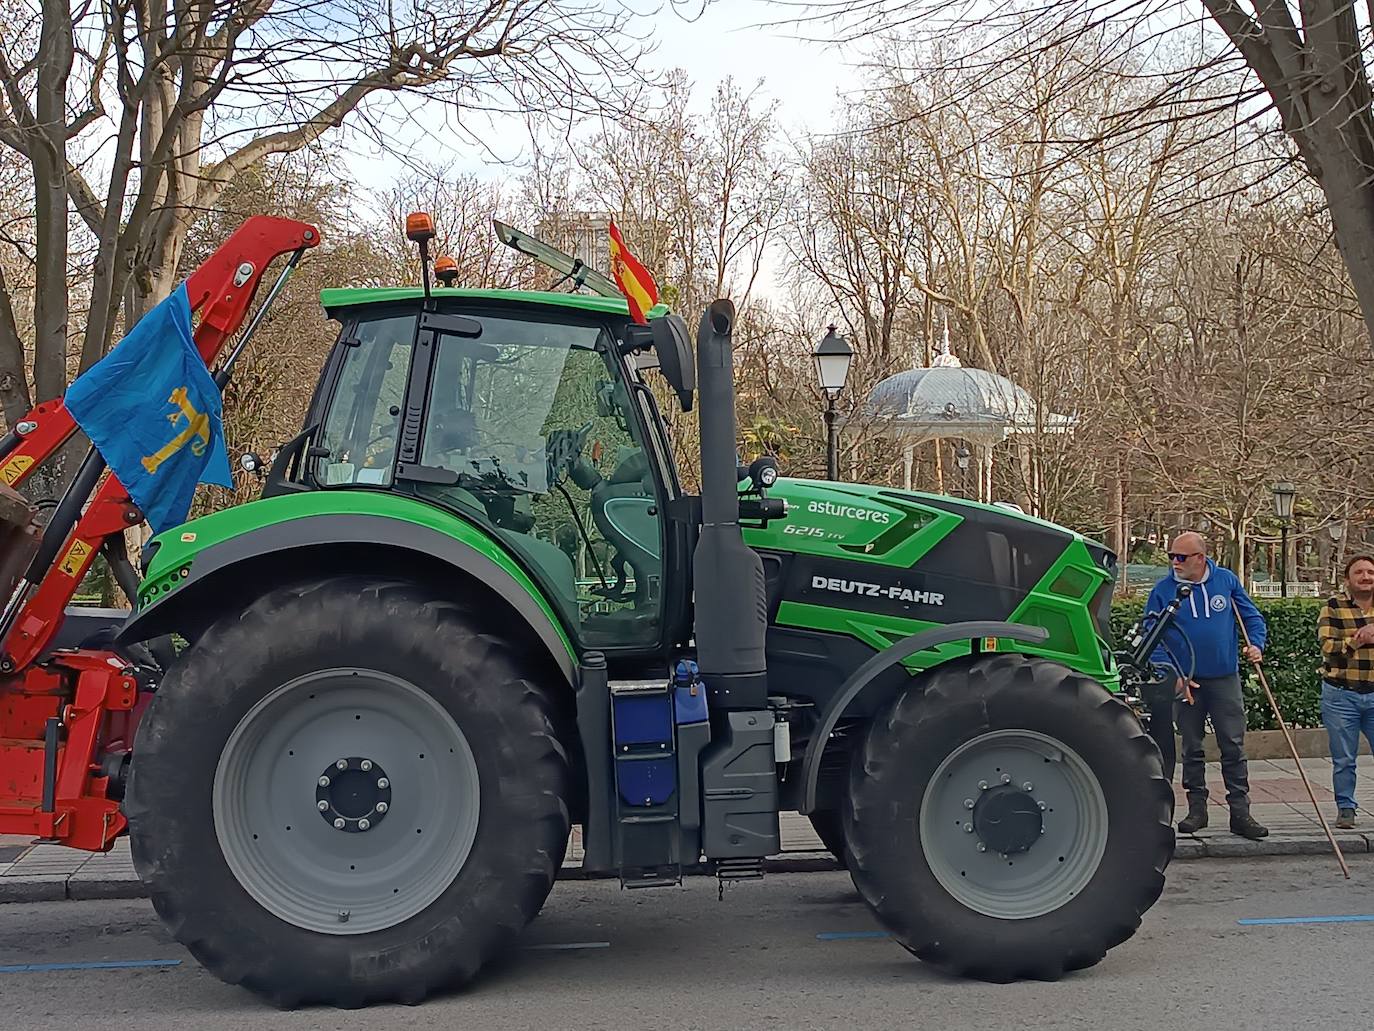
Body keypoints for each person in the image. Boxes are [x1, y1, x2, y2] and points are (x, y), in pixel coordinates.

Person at [1146, 532, 1269, 840]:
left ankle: (1240, 812)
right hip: (1187, 680)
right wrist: (1174, 674)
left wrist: (1256, 644)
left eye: (1181, 557)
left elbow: (1251, 617)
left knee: (1233, 744)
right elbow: (1152, 635)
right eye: (1171, 556)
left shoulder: (1225, 581)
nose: (1174, 562)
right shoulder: (1164, 590)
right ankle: (1197, 809)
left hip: (1224, 677)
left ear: (1200, 558)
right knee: (1191, 746)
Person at [1317, 554, 1374, 829]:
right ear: (1348, 579)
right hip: (1341, 694)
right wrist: (1356, 640)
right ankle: (1346, 808)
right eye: (1359, 573)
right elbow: (1328, 649)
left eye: (1370, 572)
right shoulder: (1333, 607)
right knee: (1343, 758)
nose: (1366, 577)